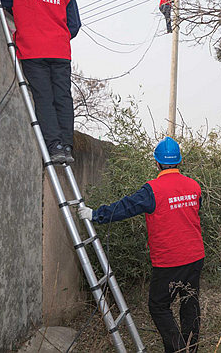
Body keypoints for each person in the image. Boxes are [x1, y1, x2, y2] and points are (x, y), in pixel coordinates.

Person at [78, 137, 204, 352]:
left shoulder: (152, 190)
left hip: (169, 261)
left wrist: (96, 214)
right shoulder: (194, 186)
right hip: (195, 256)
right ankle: (190, 348)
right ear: (179, 161)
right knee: (189, 302)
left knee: (158, 306)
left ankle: (177, 349)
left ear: (157, 163)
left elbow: (125, 207)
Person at [0, 0, 81, 164]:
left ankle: (55, 146)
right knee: (62, 97)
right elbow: (74, 26)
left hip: (32, 51)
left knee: (44, 98)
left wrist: (25, 18)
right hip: (60, 53)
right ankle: (67, 146)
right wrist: (56, 37)